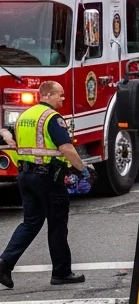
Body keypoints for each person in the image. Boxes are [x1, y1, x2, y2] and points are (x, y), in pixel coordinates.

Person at [0, 81, 89, 290]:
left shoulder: (25, 116)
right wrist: (83, 170)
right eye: (60, 95)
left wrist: (5, 135)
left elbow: (11, 137)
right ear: (47, 95)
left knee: (31, 222)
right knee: (57, 224)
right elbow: (66, 147)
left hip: (25, 176)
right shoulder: (52, 118)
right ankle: (61, 272)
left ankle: (4, 263)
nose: (63, 99)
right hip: (47, 179)